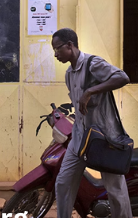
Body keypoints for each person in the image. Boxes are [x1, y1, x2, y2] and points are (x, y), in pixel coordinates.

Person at [51, 28, 133, 218]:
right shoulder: (69, 74)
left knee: (115, 189)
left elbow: (122, 77)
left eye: (57, 49)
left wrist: (90, 91)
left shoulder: (92, 64)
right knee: (63, 183)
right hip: (80, 138)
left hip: (105, 139)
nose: (55, 54)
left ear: (70, 46)